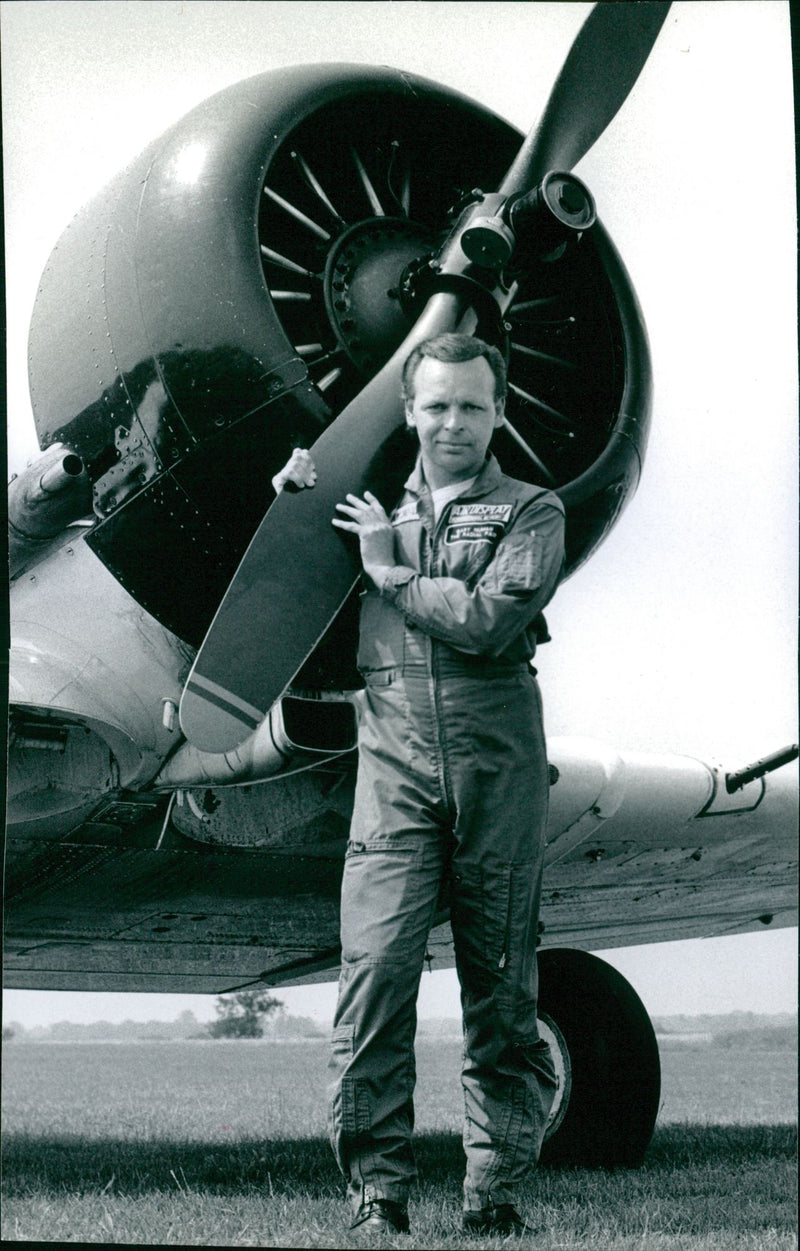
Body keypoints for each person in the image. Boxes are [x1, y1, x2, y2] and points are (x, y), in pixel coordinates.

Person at [281, 332, 565, 1239]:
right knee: (374, 979)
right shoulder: (355, 507)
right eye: (436, 404)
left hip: (499, 766)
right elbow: (271, 569)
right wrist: (285, 487)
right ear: (409, 410)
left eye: (471, 406)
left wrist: (393, 572)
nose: (453, 423)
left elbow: (488, 622)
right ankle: (378, 1188)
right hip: (393, 765)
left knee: (502, 992)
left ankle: (496, 1192)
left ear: (499, 412)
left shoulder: (532, 509)